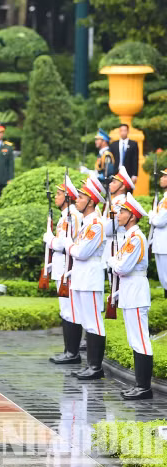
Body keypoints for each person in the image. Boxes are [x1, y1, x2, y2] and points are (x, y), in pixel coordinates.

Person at [108, 193, 152, 399]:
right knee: (134, 339)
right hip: (129, 290)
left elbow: (122, 266)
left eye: (123, 211)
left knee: (140, 340)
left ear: (132, 216)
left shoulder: (136, 239)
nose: (119, 214)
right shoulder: (129, 238)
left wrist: (113, 263)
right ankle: (139, 384)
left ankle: (144, 387)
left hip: (135, 289)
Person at [66, 175, 107, 380]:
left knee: (94, 322)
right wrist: (75, 248)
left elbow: (82, 252)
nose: (76, 200)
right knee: (86, 321)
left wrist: (69, 246)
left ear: (91, 201)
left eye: (81, 197)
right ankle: (90, 365)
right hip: (81, 276)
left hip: (90, 277)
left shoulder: (96, 224)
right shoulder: (87, 222)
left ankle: (96, 367)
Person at [44, 175, 82, 364]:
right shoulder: (65, 216)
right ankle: (69, 350)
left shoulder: (71, 216)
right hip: (61, 266)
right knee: (65, 310)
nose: (56, 197)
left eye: (59, 194)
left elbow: (62, 243)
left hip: (68, 267)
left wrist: (49, 240)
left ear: (67, 197)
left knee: (70, 310)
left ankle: (72, 353)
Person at [149, 166, 167, 295]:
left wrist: (151, 215)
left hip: (164, 244)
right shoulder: (164, 199)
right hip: (161, 244)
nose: (162, 178)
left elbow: (159, 221)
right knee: (164, 280)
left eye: (165, 176)